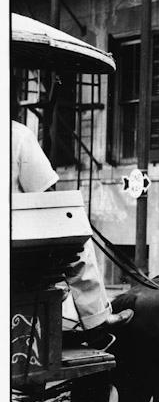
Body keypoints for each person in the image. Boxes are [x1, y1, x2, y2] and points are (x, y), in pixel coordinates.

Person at [11, 119, 133, 346]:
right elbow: (46, 195)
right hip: (15, 252)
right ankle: (97, 320)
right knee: (77, 239)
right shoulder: (15, 134)